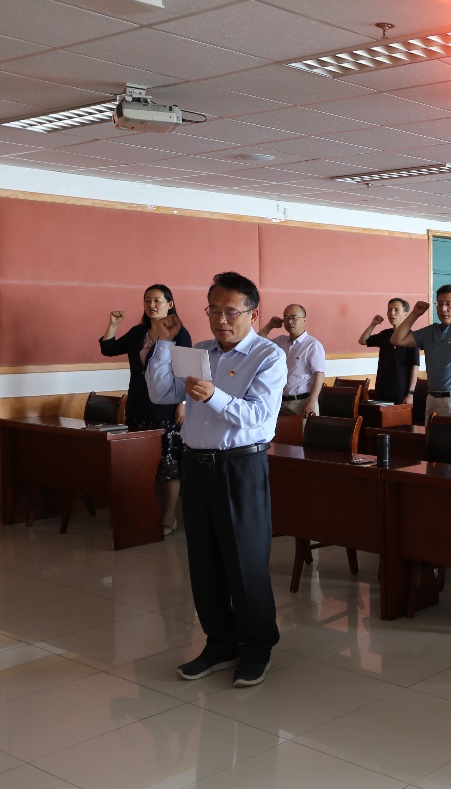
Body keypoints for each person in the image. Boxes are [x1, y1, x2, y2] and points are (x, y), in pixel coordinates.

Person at [145, 271, 286, 688]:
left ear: (253, 314)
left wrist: (215, 396)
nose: (221, 319)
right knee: (204, 560)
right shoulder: (200, 352)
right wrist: (164, 344)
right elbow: (161, 394)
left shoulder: (267, 356)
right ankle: (220, 642)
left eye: (231, 311)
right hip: (197, 465)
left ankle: (257, 647)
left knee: (245, 561)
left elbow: (260, 416)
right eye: (213, 310)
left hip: (240, 467)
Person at [100, 285, 191, 536]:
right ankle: (152, 514)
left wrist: (183, 404)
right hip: (139, 404)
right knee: (146, 465)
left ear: (169, 304)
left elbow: (185, 372)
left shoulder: (179, 333)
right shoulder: (138, 332)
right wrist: (113, 324)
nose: (151, 305)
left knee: (168, 464)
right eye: (147, 300)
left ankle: (169, 517)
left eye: (157, 300)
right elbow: (108, 349)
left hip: (167, 407)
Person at [391, 285, 451, 420]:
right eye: (440, 304)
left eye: (449, 304)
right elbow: (396, 340)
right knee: (431, 434)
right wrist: (415, 314)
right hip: (432, 399)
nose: (443, 309)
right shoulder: (431, 331)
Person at [262, 305, 324, 417]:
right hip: (279, 402)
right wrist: (270, 326)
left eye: (294, 317)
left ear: (304, 320)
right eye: (286, 317)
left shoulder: (312, 345)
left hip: (302, 403)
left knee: (304, 429)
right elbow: (258, 343)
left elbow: (319, 375)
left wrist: (311, 402)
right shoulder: (280, 341)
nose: (290, 321)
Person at [358, 298, 420, 404]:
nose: (392, 313)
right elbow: (362, 341)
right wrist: (373, 324)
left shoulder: (411, 337)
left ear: (405, 314)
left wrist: (410, 393)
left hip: (400, 390)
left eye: (396, 310)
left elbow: (415, 367)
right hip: (382, 388)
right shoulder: (385, 334)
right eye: (389, 310)